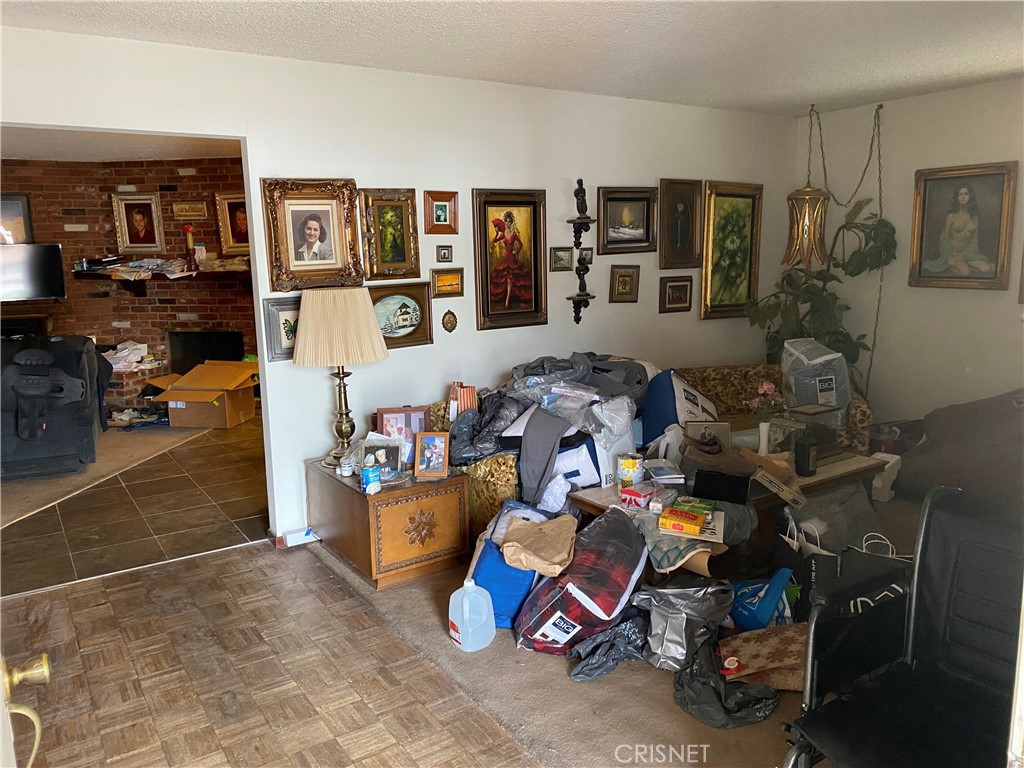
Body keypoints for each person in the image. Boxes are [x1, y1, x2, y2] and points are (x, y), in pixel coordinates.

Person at [924, 183, 991, 276]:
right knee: (965, 272)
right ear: (957, 198)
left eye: (966, 194)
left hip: (969, 254)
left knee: (986, 268)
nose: (963, 197)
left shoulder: (975, 217)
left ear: (970, 196)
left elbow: (974, 240)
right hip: (953, 253)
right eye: (960, 195)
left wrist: (966, 255)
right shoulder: (951, 216)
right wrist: (949, 256)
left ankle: (966, 263)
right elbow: (944, 238)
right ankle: (951, 265)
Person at [489, 210, 533, 308]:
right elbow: (494, 240)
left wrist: (516, 252)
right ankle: (508, 299)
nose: (507, 223)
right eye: (506, 221)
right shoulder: (503, 233)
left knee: (510, 278)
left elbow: (521, 244)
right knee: (507, 277)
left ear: (511, 222)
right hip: (506, 257)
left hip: (512, 257)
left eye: (509, 221)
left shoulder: (513, 233)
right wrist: (496, 233)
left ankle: (507, 300)